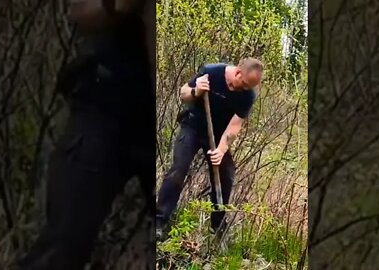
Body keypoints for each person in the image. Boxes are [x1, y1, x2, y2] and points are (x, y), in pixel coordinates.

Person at [17, 1, 154, 269]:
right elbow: (79, 11)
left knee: (179, 233)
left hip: (164, 115)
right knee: (64, 240)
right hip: (105, 106)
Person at [155, 57, 264, 240]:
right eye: (244, 84)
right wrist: (196, 90)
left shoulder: (248, 95)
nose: (244, 89)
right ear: (238, 72)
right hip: (193, 127)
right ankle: (158, 222)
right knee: (178, 170)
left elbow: (235, 126)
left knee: (226, 175)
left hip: (218, 135)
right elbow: (183, 94)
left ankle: (217, 230)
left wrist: (221, 150)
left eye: (249, 87)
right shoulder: (211, 72)